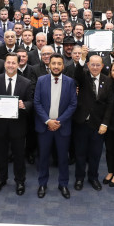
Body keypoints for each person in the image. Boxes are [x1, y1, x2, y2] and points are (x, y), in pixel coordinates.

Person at [0, 53, 34, 195]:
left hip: (18, 126)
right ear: (4, 64)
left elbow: (31, 102)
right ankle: (1, 179)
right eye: (8, 63)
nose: (11, 65)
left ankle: (20, 181)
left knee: (19, 156)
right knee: (0, 155)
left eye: (14, 63)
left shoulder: (26, 82)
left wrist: (24, 105)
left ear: (18, 65)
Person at [33, 54, 78, 199]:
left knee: (63, 158)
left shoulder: (70, 82)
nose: (56, 66)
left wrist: (59, 121)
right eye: (54, 63)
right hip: (44, 126)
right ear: (49, 65)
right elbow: (37, 103)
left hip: (62, 126)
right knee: (43, 157)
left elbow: (73, 104)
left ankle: (63, 184)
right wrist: (48, 121)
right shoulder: (41, 80)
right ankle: (42, 183)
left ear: (63, 66)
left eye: (59, 63)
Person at [71, 53, 113, 191]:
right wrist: (82, 58)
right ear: (88, 65)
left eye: (98, 65)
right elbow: (77, 73)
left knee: (95, 154)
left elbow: (109, 104)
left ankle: (93, 177)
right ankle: (79, 178)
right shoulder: (83, 77)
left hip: (98, 125)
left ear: (102, 66)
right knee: (80, 153)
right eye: (92, 64)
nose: (95, 67)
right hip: (81, 122)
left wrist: (105, 123)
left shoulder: (107, 80)